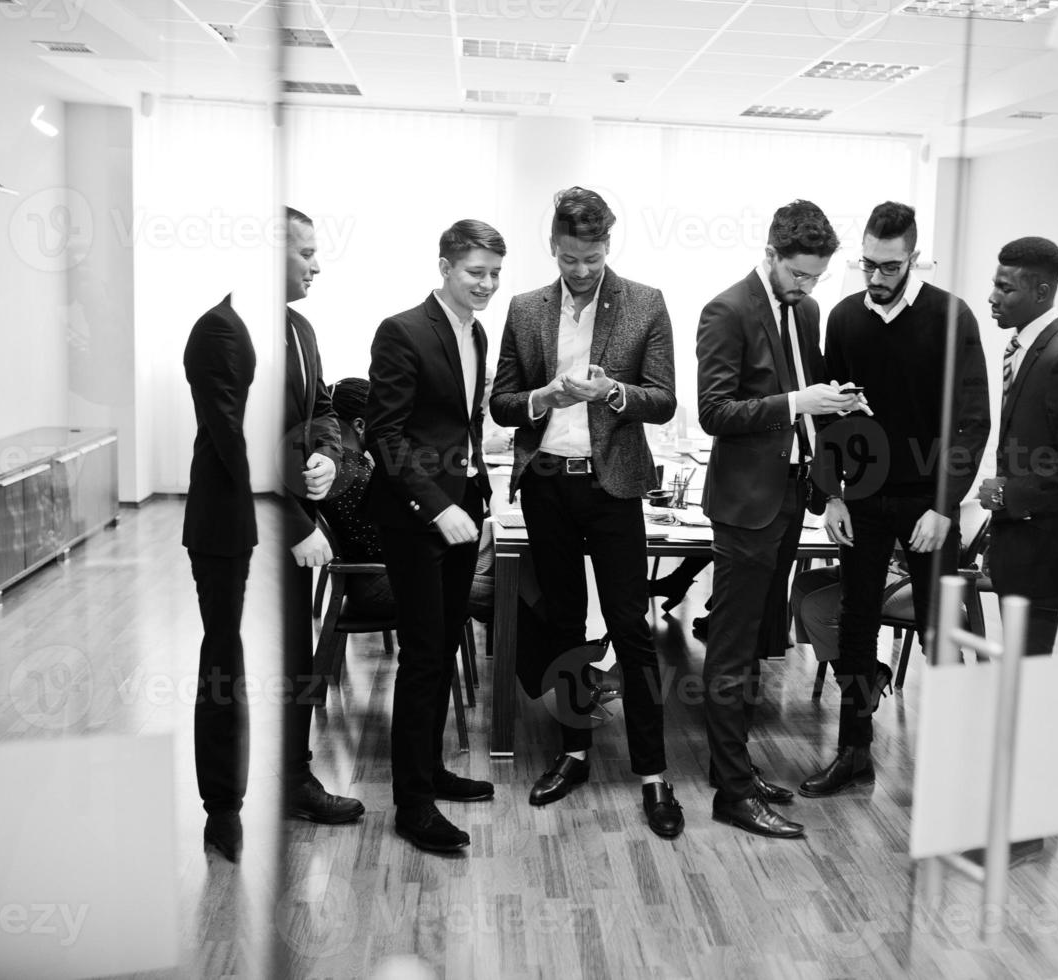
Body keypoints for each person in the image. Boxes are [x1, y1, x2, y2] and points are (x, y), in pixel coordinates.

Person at [488, 187, 683, 839]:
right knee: (566, 624)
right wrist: (542, 396)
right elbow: (500, 405)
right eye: (570, 258)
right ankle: (572, 755)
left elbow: (663, 401)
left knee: (631, 627)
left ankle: (654, 775)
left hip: (614, 486)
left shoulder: (646, 304)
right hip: (545, 482)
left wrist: (614, 392)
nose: (580, 270)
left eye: (592, 258)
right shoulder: (523, 310)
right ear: (553, 247)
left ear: (608, 246)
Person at [801, 202, 991, 798]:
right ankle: (853, 752)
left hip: (927, 503)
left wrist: (943, 505)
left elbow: (972, 421)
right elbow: (830, 415)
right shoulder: (844, 318)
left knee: (939, 631)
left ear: (913, 257)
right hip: (861, 498)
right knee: (856, 624)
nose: (877, 278)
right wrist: (831, 495)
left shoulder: (951, 317)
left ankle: (952, 761)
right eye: (868, 266)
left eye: (890, 267)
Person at [696, 200, 863, 839]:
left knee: (760, 643)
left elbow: (809, 406)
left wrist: (832, 407)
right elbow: (714, 411)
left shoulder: (808, 310)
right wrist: (796, 399)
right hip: (745, 505)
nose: (807, 288)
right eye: (798, 275)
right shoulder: (727, 309)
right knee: (733, 646)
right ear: (770, 255)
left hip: (791, 495)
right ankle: (733, 794)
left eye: (817, 277)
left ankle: (731, 768)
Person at [366, 219, 502, 853]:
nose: (487, 284)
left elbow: (459, 423)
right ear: (445, 266)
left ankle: (431, 769)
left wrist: (476, 491)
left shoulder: (476, 331)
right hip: (418, 517)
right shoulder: (403, 330)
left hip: (462, 505)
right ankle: (411, 805)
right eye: (476, 272)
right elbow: (385, 437)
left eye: (496, 273)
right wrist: (434, 505)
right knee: (422, 656)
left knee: (445, 646)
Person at [974, 235, 1058, 867]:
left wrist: (1007, 493)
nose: (993, 296)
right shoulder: (1027, 347)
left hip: (1045, 542)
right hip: (1021, 538)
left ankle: (1022, 829)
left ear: (1042, 291)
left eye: (1005, 287)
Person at [279, 208, 367, 829]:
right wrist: (299, 524)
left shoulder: (300, 329)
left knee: (292, 662)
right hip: (244, 535)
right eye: (306, 252)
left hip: (298, 516)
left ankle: (292, 775)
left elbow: (322, 411)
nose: (317, 263)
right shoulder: (225, 333)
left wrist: (327, 459)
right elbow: (235, 449)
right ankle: (231, 799)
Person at [182, 292, 256, 862]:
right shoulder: (219, 329)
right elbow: (226, 430)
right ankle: (222, 809)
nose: (314, 265)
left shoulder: (285, 326)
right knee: (224, 655)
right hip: (224, 519)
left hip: (252, 516)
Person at [316, 377, 394, 619]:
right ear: (360, 425)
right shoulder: (352, 474)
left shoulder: (344, 464)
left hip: (375, 579)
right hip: (377, 585)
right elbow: (380, 545)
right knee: (498, 589)